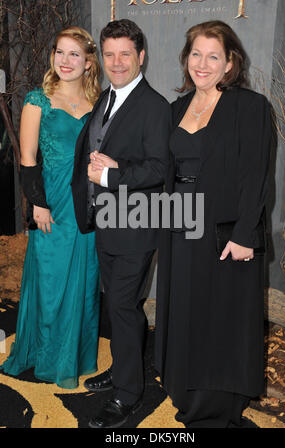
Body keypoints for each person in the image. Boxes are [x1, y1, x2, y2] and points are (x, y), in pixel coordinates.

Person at [155, 20, 271, 428]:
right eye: (196, 54)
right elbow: (162, 171)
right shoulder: (174, 109)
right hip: (179, 227)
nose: (202, 64)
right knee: (185, 308)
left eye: (213, 56)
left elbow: (256, 176)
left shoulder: (250, 106)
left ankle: (216, 403)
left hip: (223, 232)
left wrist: (245, 236)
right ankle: (185, 386)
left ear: (229, 64)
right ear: (186, 59)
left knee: (219, 314)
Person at [71, 19, 171, 428]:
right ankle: (122, 368)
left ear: (141, 56)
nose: (116, 62)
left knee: (124, 307)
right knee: (117, 303)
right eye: (109, 54)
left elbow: (159, 168)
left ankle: (129, 394)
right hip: (108, 222)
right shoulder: (106, 97)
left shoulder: (155, 106)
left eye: (124, 54)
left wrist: (111, 176)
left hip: (136, 224)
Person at [0, 27, 101, 389]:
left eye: (75, 54)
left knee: (85, 281)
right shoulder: (36, 99)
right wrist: (37, 205)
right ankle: (46, 354)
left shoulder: (99, 104)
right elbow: (27, 158)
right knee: (51, 280)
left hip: (86, 205)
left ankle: (77, 355)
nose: (66, 60)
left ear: (89, 62)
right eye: (60, 52)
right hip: (51, 204)